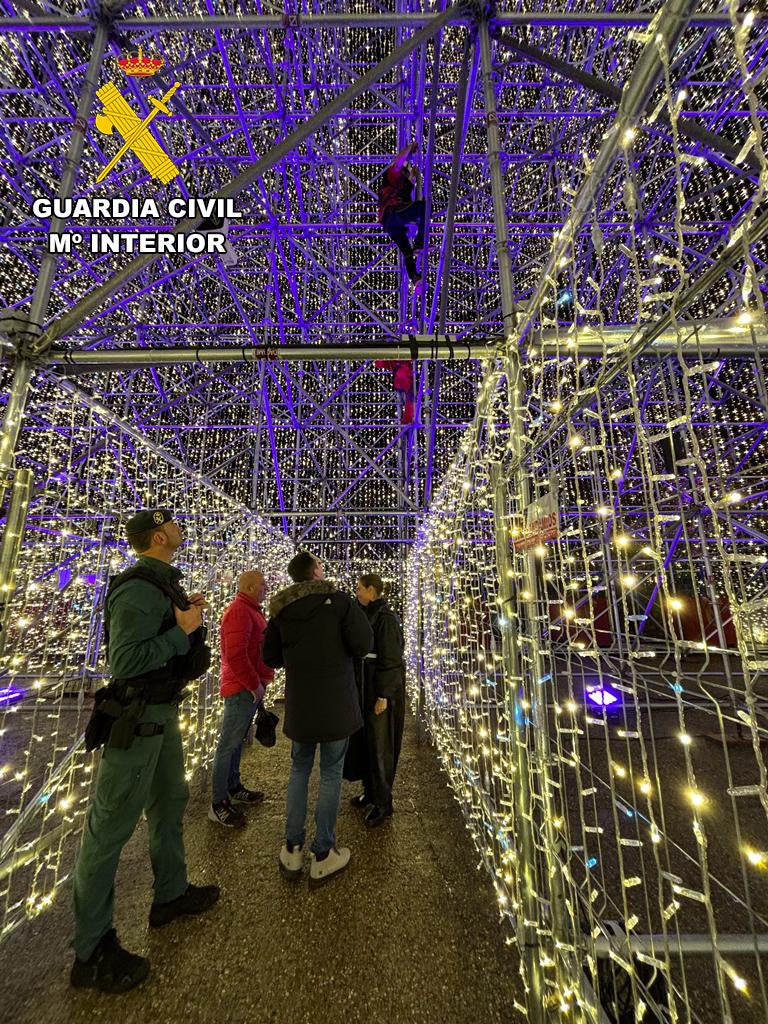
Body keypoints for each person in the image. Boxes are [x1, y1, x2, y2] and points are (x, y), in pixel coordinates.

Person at [71, 509, 219, 994]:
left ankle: (170, 894)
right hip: (136, 722)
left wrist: (184, 620)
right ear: (159, 536)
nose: (179, 526)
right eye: (172, 524)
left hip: (162, 719)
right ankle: (91, 951)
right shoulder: (137, 587)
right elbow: (126, 659)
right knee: (109, 830)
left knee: (169, 805)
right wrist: (182, 631)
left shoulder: (161, 585)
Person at [263, 551, 373, 889]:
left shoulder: (281, 610)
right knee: (330, 774)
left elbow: (271, 657)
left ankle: (292, 848)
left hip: (301, 705)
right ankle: (323, 853)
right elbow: (363, 643)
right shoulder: (339, 602)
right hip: (336, 704)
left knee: (298, 771)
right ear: (315, 572)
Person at [209, 569, 274, 828]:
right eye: (263, 584)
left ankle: (233, 787)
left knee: (235, 743)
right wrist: (253, 684)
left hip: (248, 688)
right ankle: (218, 802)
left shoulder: (251, 610)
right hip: (241, 690)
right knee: (228, 744)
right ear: (248, 586)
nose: (266, 588)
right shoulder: (239, 611)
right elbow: (236, 655)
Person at [351, 573, 406, 827]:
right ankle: (371, 793)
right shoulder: (370, 614)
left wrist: (384, 694)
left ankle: (383, 802)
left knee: (381, 746)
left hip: (379, 692)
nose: (357, 592)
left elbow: (392, 659)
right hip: (368, 688)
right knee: (370, 743)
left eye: (361, 589)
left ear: (372, 590)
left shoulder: (385, 619)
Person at [378, 140, 426, 296]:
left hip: (389, 223)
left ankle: (415, 279)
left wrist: (413, 175)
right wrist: (410, 148)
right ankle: (420, 243)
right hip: (393, 212)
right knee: (423, 208)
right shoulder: (393, 176)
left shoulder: (403, 185)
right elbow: (398, 161)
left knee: (406, 251)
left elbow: (410, 181)